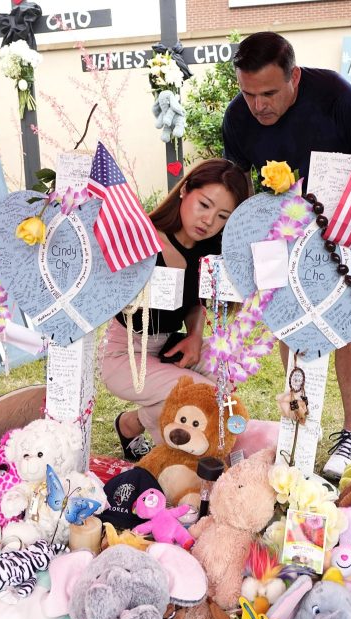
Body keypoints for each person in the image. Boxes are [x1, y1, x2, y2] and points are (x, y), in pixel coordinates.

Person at [222, 31, 351, 480]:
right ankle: (299, 413)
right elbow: (239, 188)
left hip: (338, 228)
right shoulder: (237, 118)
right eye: (248, 94)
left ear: (295, 78)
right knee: (287, 321)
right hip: (276, 233)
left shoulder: (340, 100)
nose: (258, 105)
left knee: (342, 325)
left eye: (269, 93)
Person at [100, 158, 251, 459]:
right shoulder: (143, 240)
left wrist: (195, 335)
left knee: (226, 370)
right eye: (204, 205)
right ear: (184, 191)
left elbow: (197, 302)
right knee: (199, 396)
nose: (208, 221)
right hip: (125, 355)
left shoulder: (209, 249)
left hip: (170, 346)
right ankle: (176, 460)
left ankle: (132, 423)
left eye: (222, 216)